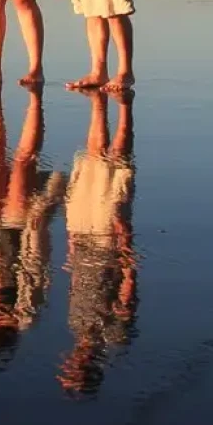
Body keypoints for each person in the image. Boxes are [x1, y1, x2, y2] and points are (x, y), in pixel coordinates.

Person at [0, 86, 66, 369]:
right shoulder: (24, 314)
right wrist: (38, 223)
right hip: (19, 229)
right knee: (22, 161)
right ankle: (35, 100)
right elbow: (38, 267)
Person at [59, 87, 138, 395]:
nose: (69, 363)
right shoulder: (114, 337)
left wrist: (70, 248)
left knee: (93, 165)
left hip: (82, 238)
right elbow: (126, 294)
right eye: (73, 370)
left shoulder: (76, 328)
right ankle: (123, 110)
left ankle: (104, 104)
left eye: (67, 369)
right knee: (116, 169)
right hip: (106, 244)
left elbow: (77, 288)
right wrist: (126, 246)